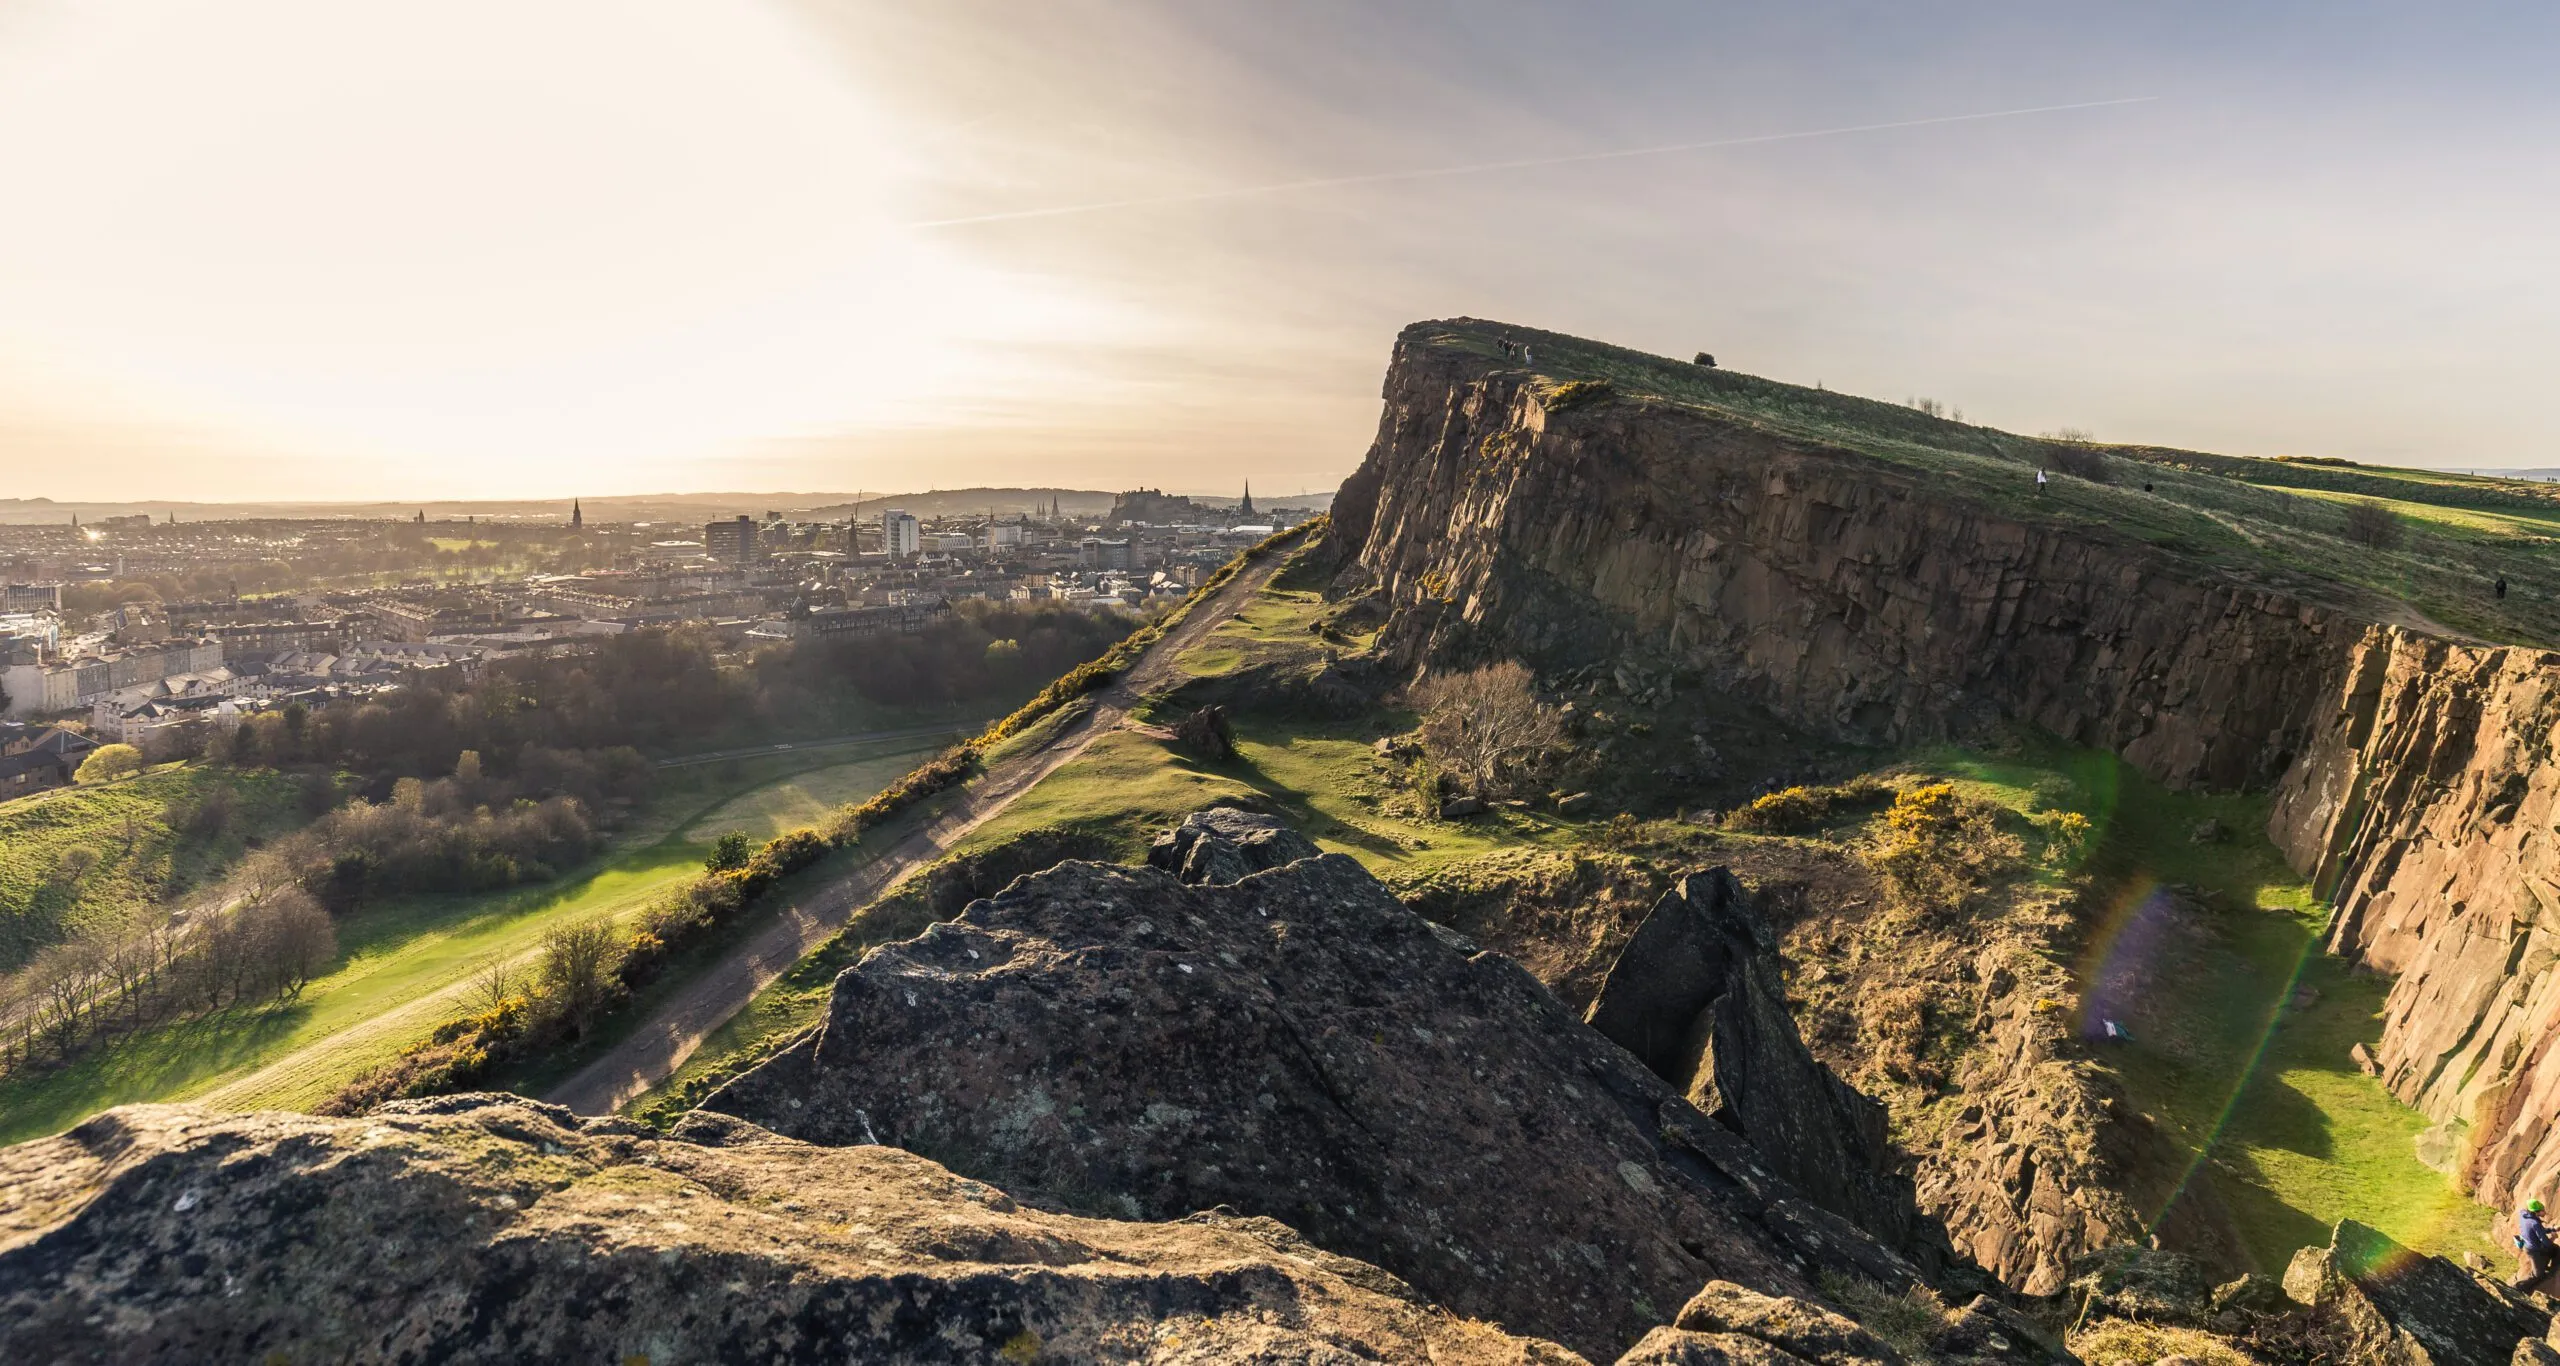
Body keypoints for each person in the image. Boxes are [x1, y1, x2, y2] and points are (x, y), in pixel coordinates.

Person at [2518, 1200, 2556, 1290]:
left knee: (2554, 1249)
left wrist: (2552, 1229)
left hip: (2530, 1244)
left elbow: (2537, 1231)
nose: (2545, 1212)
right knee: (2537, 1275)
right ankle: (2518, 1287)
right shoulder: (2534, 1223)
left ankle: (2545, 1266)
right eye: (2543, 1210)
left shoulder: (2525, 1216)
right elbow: (2545, 1241)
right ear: (2536, 1212)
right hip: (2533, 1250)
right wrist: (2553, 1237)